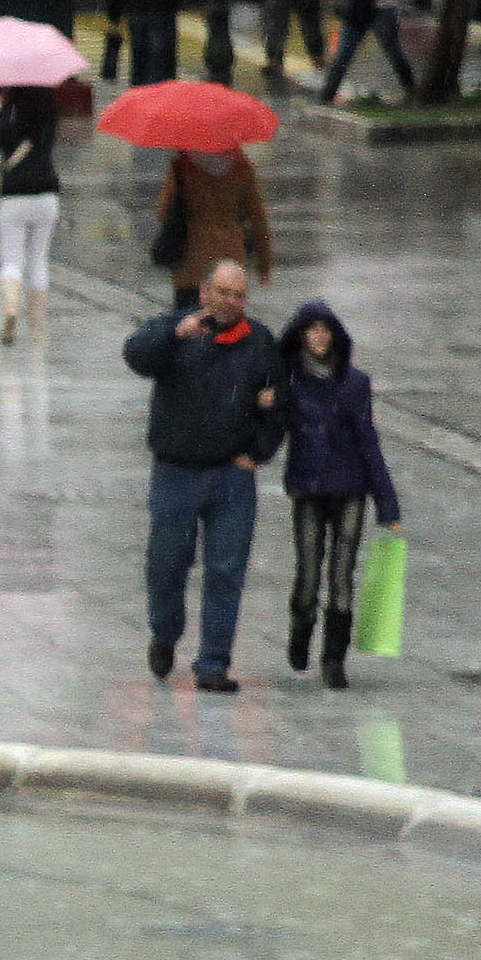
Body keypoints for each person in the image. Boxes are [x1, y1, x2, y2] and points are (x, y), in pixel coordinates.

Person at [121, 259, 283, 694]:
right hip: (175, 471)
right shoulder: (178, 329)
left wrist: (260, 451)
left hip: (231, 476)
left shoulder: (259, 341)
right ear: (205, 291)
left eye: (239, 295)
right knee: (167, 563)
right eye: (224, 292)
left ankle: (213, 663)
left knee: (227, 569)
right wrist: (174, 336)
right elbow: (134, 354)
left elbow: (282, 397)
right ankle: (165, 632)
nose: (231, 302)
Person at [274, 301, 399, 687]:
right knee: (309, 571)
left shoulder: (355, 383)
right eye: (312, 329)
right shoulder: (290, 381)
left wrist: (387, 503)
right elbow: (272, 427)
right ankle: (301, 625)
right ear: (300, 335)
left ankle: (333, 659)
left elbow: (368, 442)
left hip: (349, 488)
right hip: (308, 488)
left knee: (342, 574)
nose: (319, 337)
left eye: (325, 330)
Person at [0, 84, 61, 346]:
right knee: (39, 260)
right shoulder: (49, 109)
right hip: (47, 193)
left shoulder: (7, 112)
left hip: (13, 195)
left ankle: (11, 311)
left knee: (12, 261)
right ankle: (38, 329)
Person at [153, 145, 270, 311]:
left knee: (189, 323)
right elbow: (258, 219)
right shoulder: (242, 167)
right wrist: (264, 264)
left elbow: (162, 212)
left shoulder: (181, 166)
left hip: (191, 262)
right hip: (230, 259)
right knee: (226, 322)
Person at [317, 0, 417, 104]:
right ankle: (326, 96)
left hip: (382, 7)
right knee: (343, 54)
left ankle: (411, 88)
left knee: (393, 51)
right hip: (359, 9)